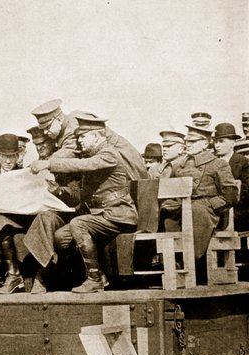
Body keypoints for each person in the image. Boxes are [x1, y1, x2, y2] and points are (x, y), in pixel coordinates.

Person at [30, 114, 138, 293]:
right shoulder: (92, 155)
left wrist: (49, 164)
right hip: (100, 216)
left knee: (78, 224)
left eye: (83, 136)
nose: (79, 141)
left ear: (96, 136)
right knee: (61, 237)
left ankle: (94, 278)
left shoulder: (109, 153)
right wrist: (58, 191)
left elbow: (86, 164)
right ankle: (89, 275)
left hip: (118, 215)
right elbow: (80, 195)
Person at [162, 125, 239, 264]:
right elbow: (170, 190)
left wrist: (210, 205)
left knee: (195, 211)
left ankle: (189, 261)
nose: (188, 144)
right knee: (164, 213)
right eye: (187, 141)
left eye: (193, 142)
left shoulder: (218, 164)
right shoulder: (178, 165)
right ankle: (170, 261)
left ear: (205, 144)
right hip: (181, 207)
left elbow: (231, 195)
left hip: (207, 211)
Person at [23, 126, 81, 294]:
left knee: (45, 218)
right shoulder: (32, 168)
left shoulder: (65, 163)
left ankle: (43, 273)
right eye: (36, 145)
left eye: (43, 143)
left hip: (64, 215)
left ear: (53, 143)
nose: (39, 147)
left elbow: (76, 197)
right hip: (36, 213)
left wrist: (59, 191)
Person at [31, 99, 148, 180]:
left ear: (59, 119)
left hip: (123, 157)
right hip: (105, 159)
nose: (45, 132)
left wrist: (45, 163)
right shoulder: (64, 127)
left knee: (136, 189)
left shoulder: (73, 122)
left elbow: (70, 150)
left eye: (47, 127)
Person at [0, 134, 33, 294]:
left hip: (20, 223)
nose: (8, 161)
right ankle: (12, 274)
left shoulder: (27, 177)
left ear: (18, 156)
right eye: (5, 156)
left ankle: (14, 274)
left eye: (12, 156)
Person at [213, 122, 249, 231]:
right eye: (215, 141)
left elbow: (246, 191)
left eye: (221, 141)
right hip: (214, 210)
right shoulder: (212, 162)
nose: (217, 145)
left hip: (238, 211)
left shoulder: (243, 162)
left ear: (233, 143)